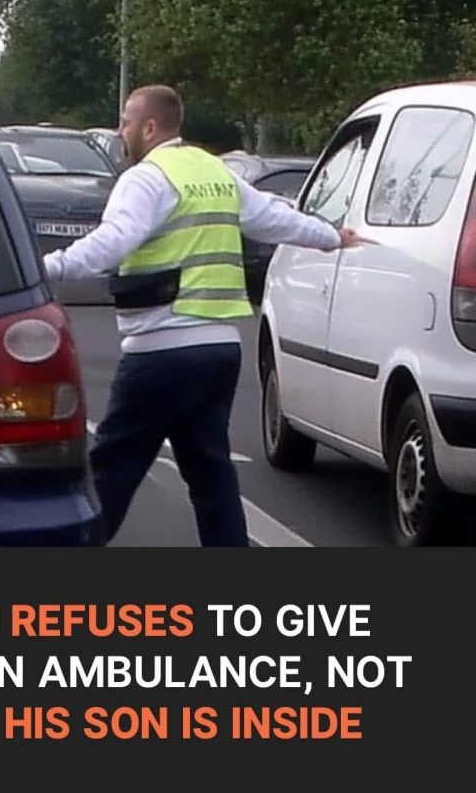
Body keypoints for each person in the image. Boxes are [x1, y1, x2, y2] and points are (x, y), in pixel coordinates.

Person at [43, 85, 362, 546]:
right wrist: (331, 236)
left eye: (127, 122)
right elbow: (274, 219)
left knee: (114, 469)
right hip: (218, 350)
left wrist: (41, 270)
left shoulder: (146, 178)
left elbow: (111, 243)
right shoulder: (214, 172)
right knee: (211, 474)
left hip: (159, 349)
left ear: (150, 128)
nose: (121, 131)